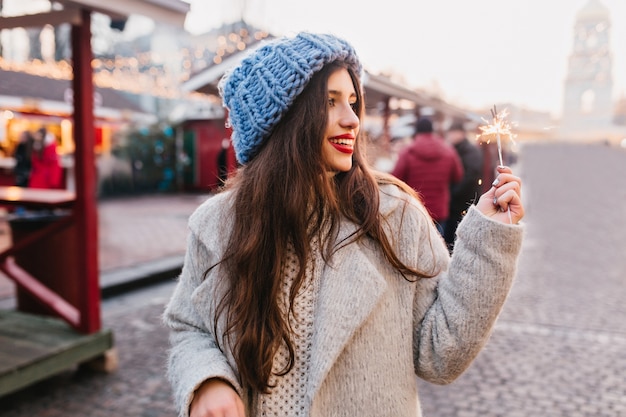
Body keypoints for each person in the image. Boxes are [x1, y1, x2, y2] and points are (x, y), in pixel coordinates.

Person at [163, 32, 525, 417]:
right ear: (284, 121)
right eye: (330, 102)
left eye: (353, 102)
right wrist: (207, 381)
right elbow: (189, 327)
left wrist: (487, 239)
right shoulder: (216, 224)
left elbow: (440, 354)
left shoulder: (395, 216)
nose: (352, 119)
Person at [391, 116, 464, 236]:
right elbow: (458, 176)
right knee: (437, 248)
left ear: (416, 131)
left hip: (415, 208)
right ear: (432, 130)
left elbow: (395, 178)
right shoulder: (448, 151)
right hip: (439, 211)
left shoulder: (407, 152)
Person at [443, 121, 484, 251]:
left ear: (460, 133)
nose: (449, 136)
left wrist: (453, 192)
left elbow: (471, 176)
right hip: (455, 203)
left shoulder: (469, 151)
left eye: (452, 133)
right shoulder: (455, 150)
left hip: (465, 202)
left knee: (461, 238)